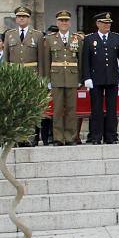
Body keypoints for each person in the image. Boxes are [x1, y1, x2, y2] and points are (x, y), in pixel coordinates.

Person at [4, 6, 48, 145]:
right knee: (16, 107)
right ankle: (17, 137)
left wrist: (41, 79)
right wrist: (6, 77)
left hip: (31, 75)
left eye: (24, 16)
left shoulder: (38, 35)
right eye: (19, 16)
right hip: (14, 76)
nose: (21, 19)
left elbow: (41, 58)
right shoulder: (9, 35)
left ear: (29, 19)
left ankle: (30, 137)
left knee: (31, 106)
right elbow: (6, 58)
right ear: (16, 19)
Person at [81, 12, 119, 145]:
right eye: (105, 23)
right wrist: (87, 77)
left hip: (112, 77)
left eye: (109, 23)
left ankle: (111, 136)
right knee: (96, 109)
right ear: (98, 24)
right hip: (96, 78)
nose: (108, 25)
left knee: (112, 109)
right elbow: (86, 61)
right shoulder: (90, 39)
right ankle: (96, 136)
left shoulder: (116, 38)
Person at [41, 10, 82, 145]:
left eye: (66, 21)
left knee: (71, 109)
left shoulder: (77, 39)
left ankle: (70, 137)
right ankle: (58, 137)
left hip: (72, 77)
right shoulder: (50, 39)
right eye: (61, 21)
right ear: (57, 23)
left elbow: (80, 60)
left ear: (70, 23)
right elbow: (46, 60)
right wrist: (46, 79)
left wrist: (80, 78)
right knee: (57, 109)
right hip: (56, 78)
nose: (64, 23)